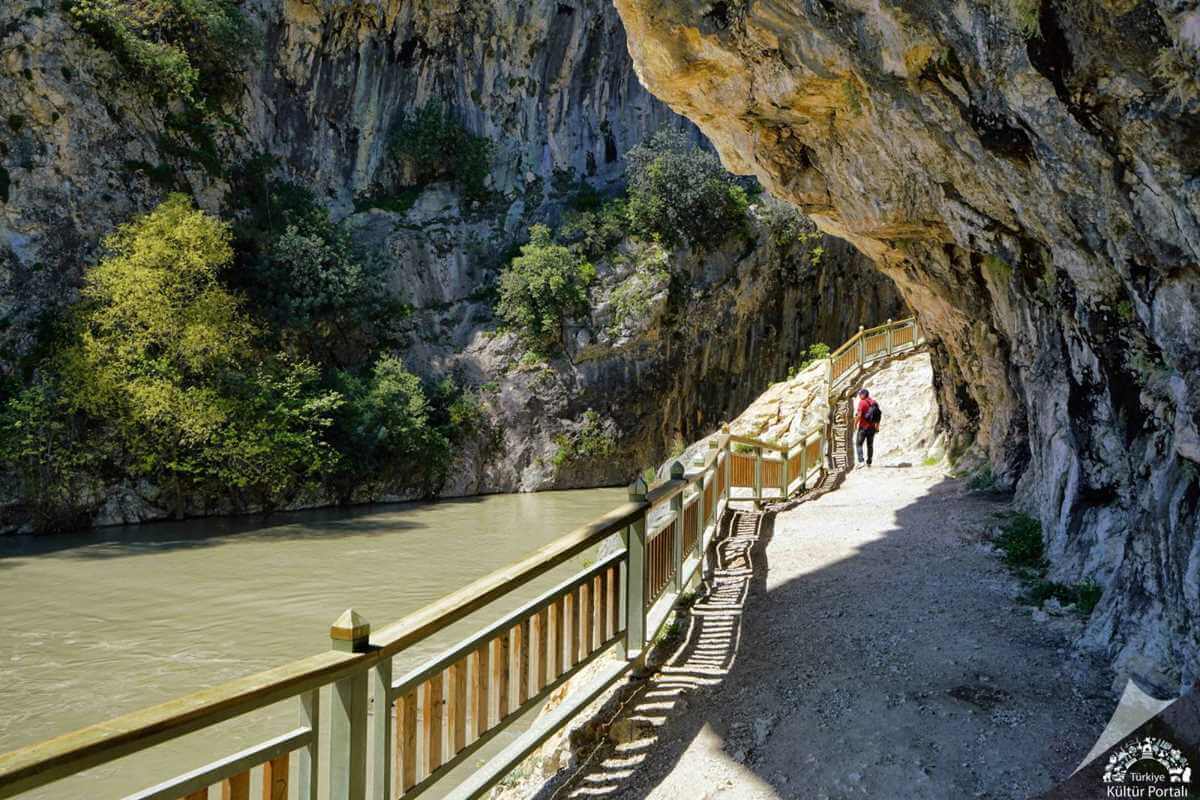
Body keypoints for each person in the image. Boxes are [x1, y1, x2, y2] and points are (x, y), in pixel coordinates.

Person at [854, 388, 880, 467]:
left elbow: (859, 415)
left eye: (860, 394)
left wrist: (855, 424)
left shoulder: (862, 403)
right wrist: (877, 427)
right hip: (872, 428)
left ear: (863, 395)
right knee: (870, 445)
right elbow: (878, 416)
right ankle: (869, 461)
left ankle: (861, 461)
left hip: (863, 427)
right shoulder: (874, 403)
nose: (859, 396)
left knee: (858, 444)